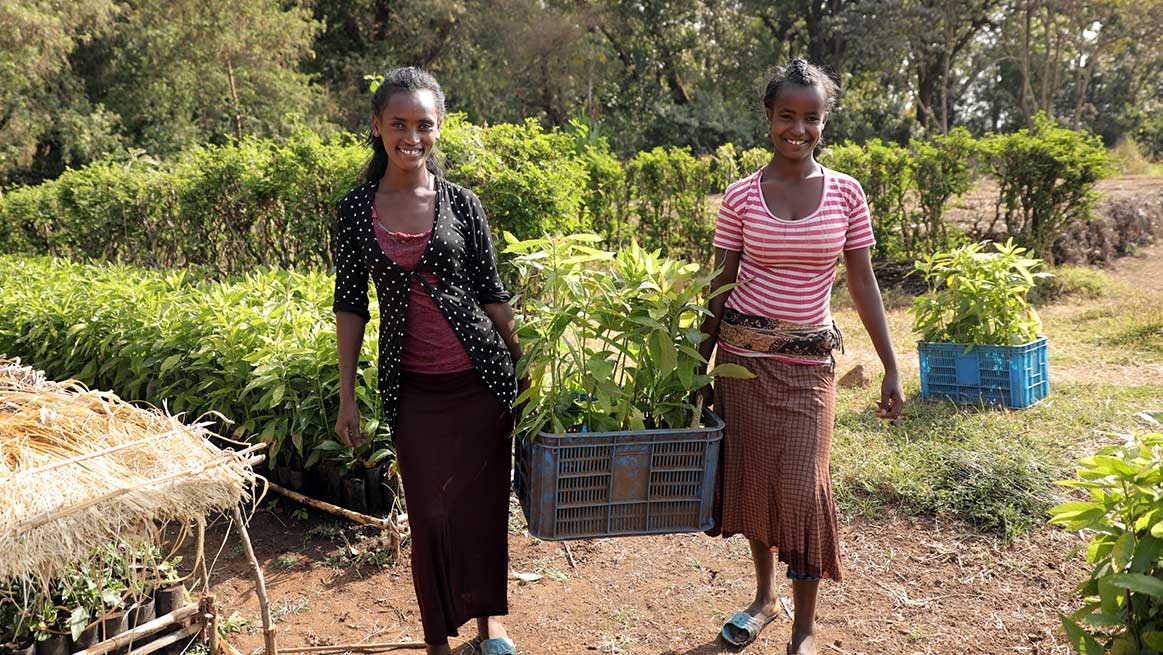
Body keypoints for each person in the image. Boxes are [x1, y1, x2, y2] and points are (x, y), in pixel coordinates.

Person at [698, 59, 904, 655]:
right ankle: (765, 598)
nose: (798, 127)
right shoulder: (740, 196)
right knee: (754, 482)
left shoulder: (846, 193)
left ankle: (805, 627)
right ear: (768, 118)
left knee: (804, 489)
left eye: (811, 117)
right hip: (741, 364)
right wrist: (696, 367)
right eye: (786, 115)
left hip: (809, 368)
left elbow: (863, 282)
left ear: (825, 122)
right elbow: (719, 284)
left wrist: (890, 365)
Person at [332, 66, 523, 655]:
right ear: (376, 127)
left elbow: (492, 294)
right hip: (412, 387)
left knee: (482, 511)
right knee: (430, 518)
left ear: (438, 129)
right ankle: (437, 638)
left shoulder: (462, 205)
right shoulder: (356, 209)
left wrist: (527, 364)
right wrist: (347, 395)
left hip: (481, 381)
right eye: (399, 124)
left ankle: (490, 626)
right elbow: (350, 304)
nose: (411, 136)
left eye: (424, 124)